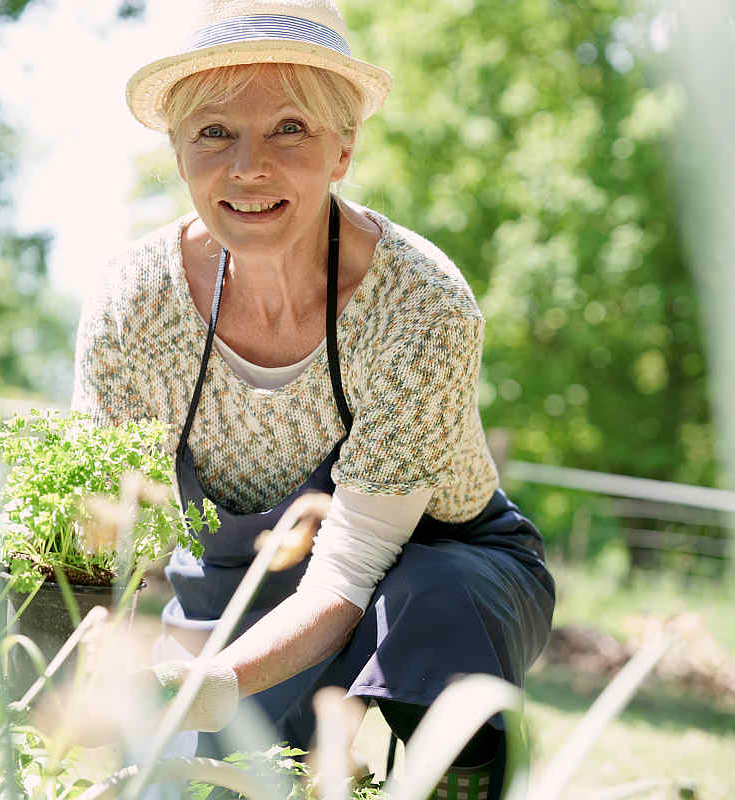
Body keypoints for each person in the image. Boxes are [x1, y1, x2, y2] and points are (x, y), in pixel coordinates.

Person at [71, 2, 555, 798]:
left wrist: (218, 680)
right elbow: (101, 532)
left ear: (343, 148)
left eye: (289, 128)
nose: (247, 166)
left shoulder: (420, 302)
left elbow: (351, 566)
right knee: (215, 781)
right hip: (241, 586)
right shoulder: (133, 301)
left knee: (428, 598)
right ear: (178, 150)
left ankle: (452, 775)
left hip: (445, 571)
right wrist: (86, 644)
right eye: (214, 132)